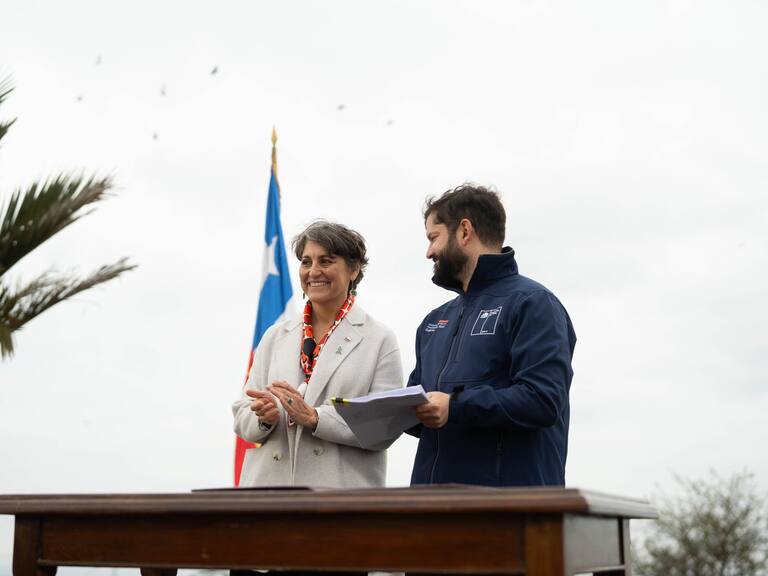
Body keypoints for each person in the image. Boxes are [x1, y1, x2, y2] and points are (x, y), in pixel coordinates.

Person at [408, 184, 576, 487]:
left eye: (434, 237)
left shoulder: (534, 304)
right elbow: (419, 405)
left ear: (464, 231)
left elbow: (542, 399)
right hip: (431, 508)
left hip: (508, 511)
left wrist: (455, 406)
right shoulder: (433, 322)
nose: (428, 252)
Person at [233, 221, 403, 489]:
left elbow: (384, 427)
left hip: (338, 501)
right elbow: (242, 414)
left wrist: (315, 418)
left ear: (354, 269)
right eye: (306, 261)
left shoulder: (380, 339)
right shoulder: (275, 336)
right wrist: (263, 418)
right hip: (267, 498)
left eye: (325, 261)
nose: (313, 271)